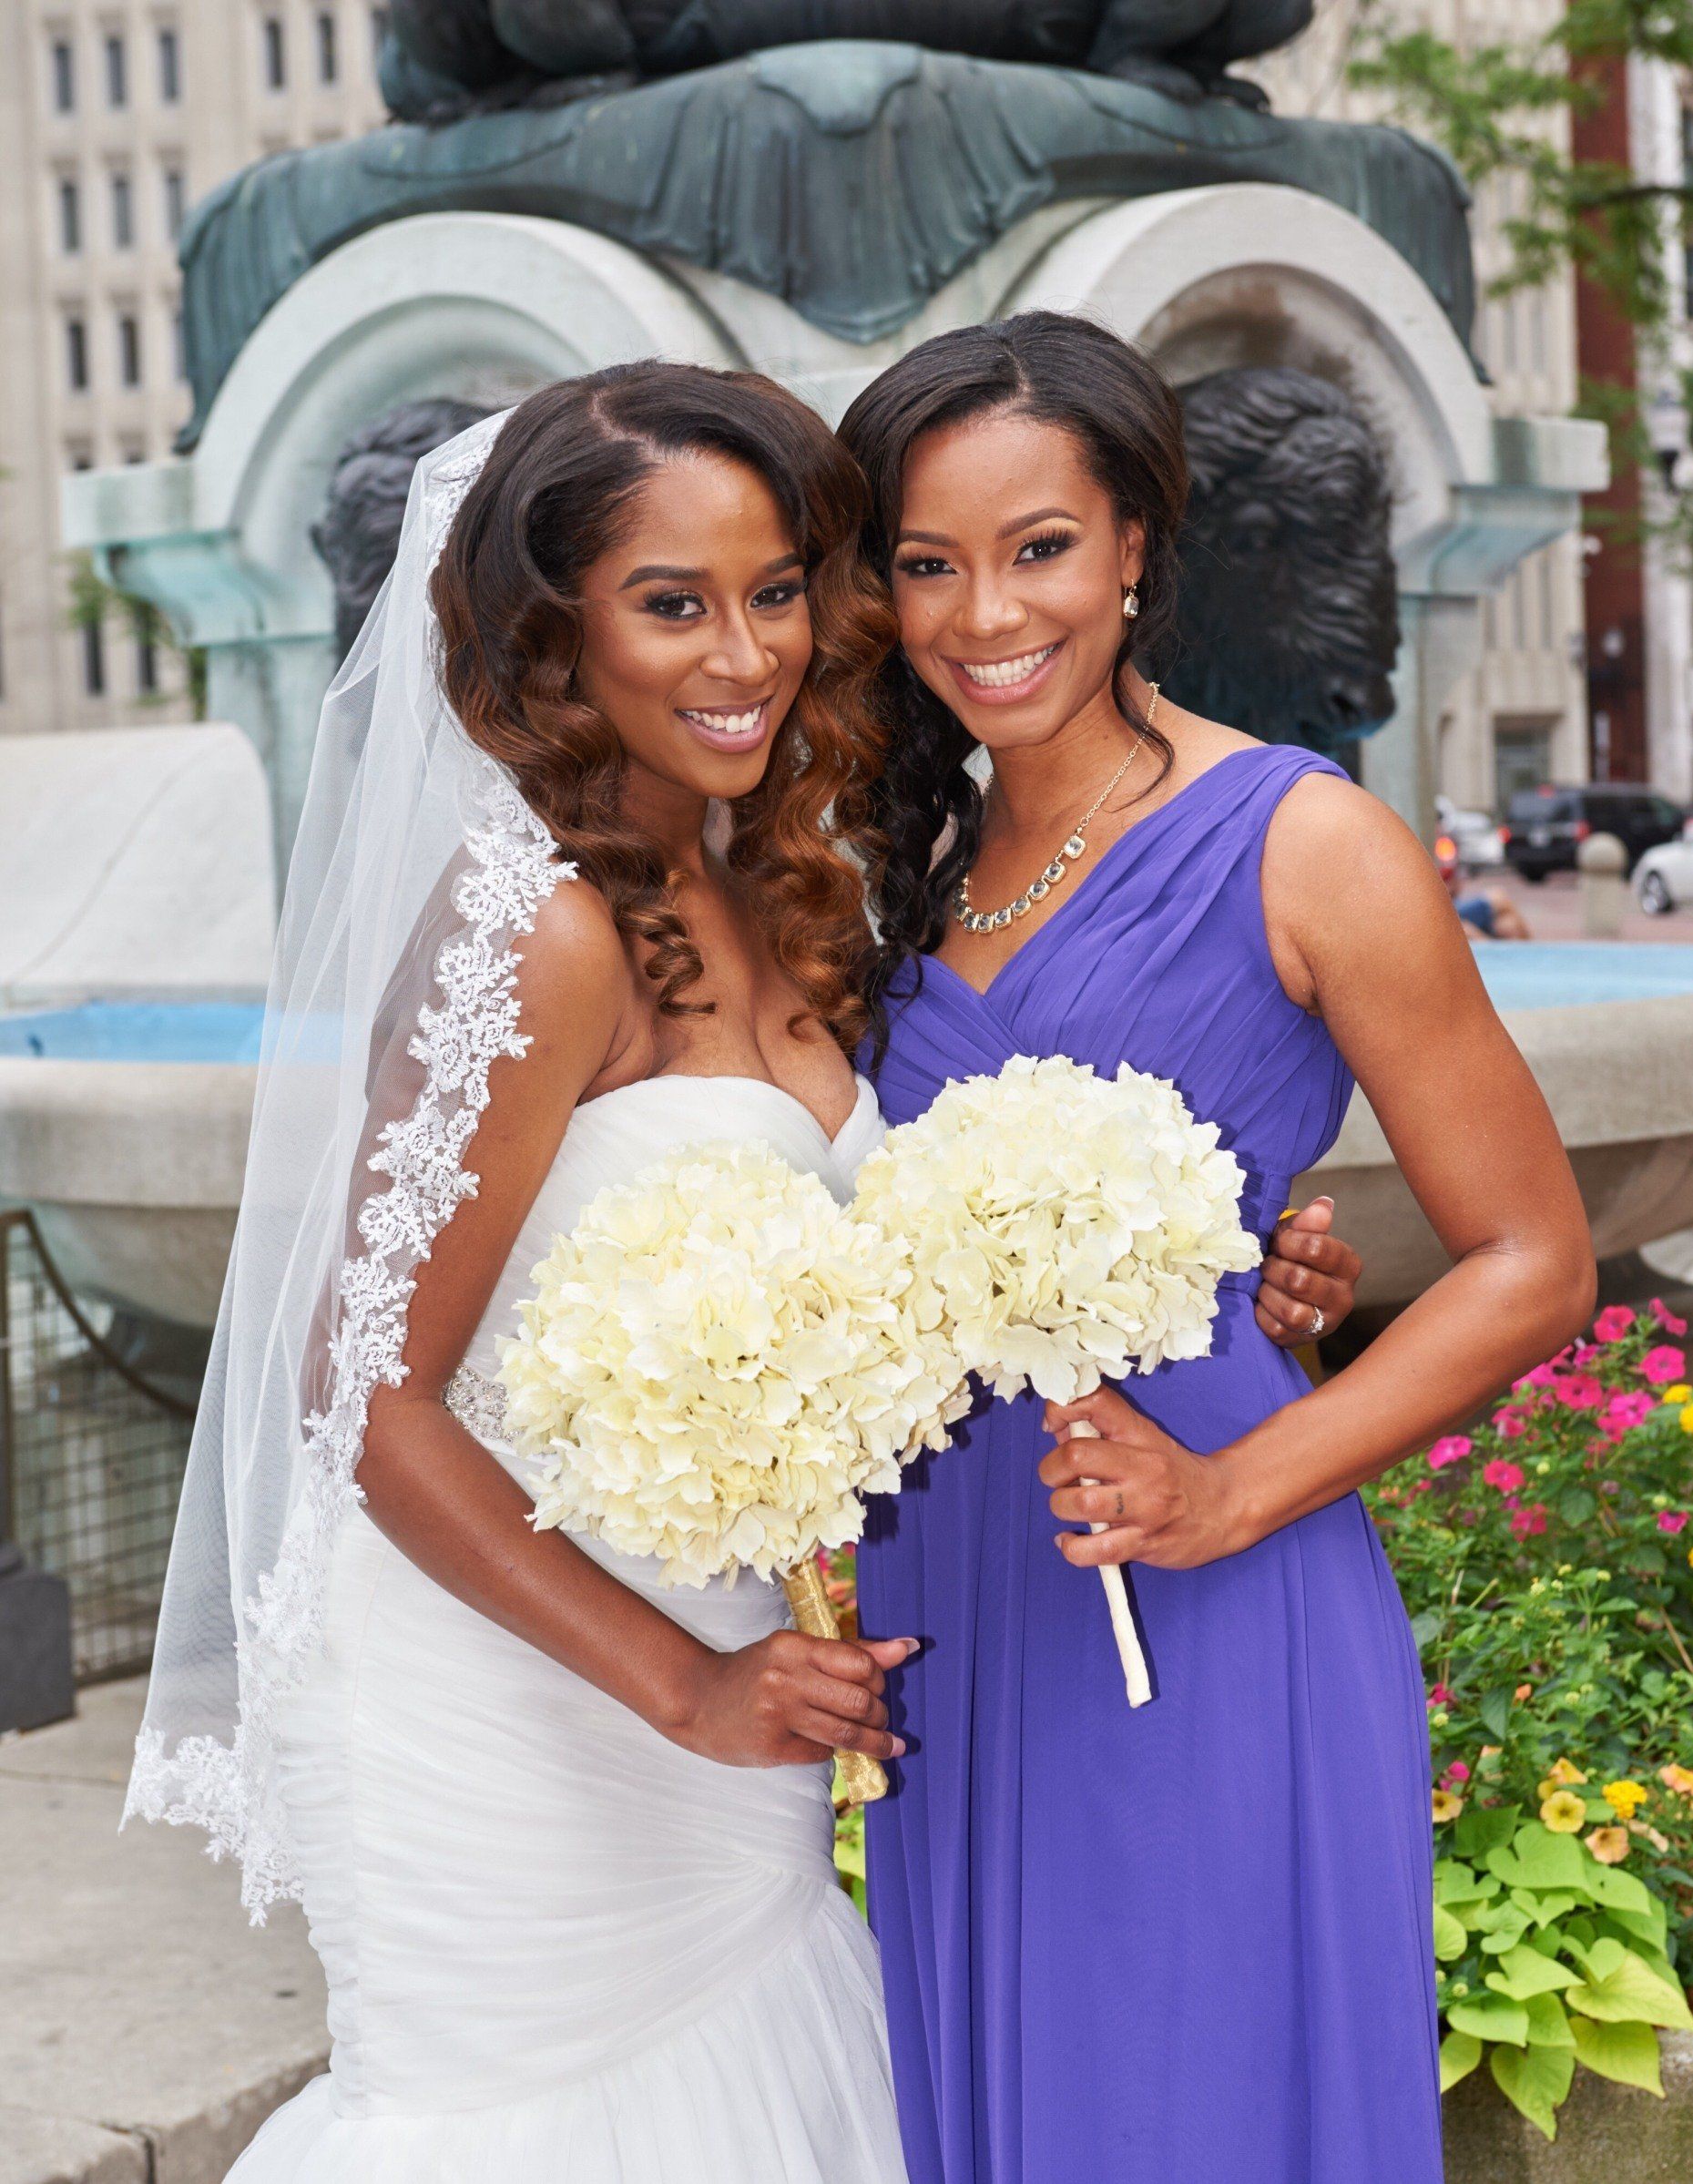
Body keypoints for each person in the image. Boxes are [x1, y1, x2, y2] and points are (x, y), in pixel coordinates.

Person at [126, 360, 1364, 2181]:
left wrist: (1209, 1274)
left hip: (730, 1657)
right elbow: (362, 1392)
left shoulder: (782, 881)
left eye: (778, 590)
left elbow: (898, 1251)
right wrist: (678, 1686)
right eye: (672, 603)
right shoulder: (537, 923)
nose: (744, 652)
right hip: (522, 1674)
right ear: (555, 637)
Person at [838, 311, 1596, 2184]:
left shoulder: (1310, 841)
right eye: (927, 562)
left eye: (1038, 549)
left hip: (1205, 1582)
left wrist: (1226, 1490)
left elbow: (1531, 1258)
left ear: (1136, 550)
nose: (982, 612)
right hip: (956, 1591)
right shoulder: (877, 857)